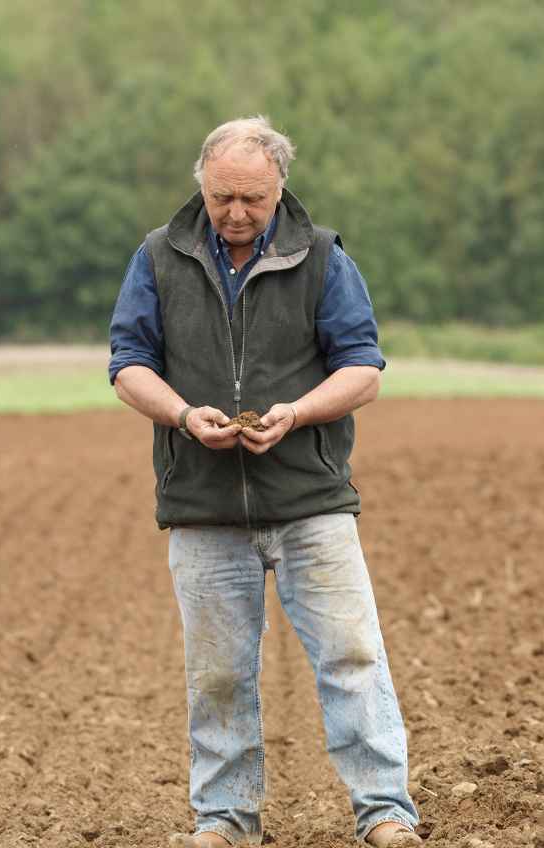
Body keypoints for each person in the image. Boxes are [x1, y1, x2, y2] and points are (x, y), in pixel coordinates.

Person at [107, 116, 423, 848]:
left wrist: (296, 413)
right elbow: (128, 364)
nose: (237, 214)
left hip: (311, 501)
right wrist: (185, 416)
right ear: (202, 187)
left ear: (280, 186)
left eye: (252, 198)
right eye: (222, 198)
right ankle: (224, 818)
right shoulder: (158, 257)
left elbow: (363, 368)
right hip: (204, 504)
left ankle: (383, 811)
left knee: (352, 657)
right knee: (217, 676)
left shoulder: (321, 257)